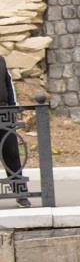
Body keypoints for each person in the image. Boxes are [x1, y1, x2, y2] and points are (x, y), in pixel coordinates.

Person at [0, 55, 30, 208]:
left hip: (4, 114)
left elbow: (8, 84)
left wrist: (13, 107)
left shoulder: (1, 61)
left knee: (11, 154)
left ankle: (20, 194)